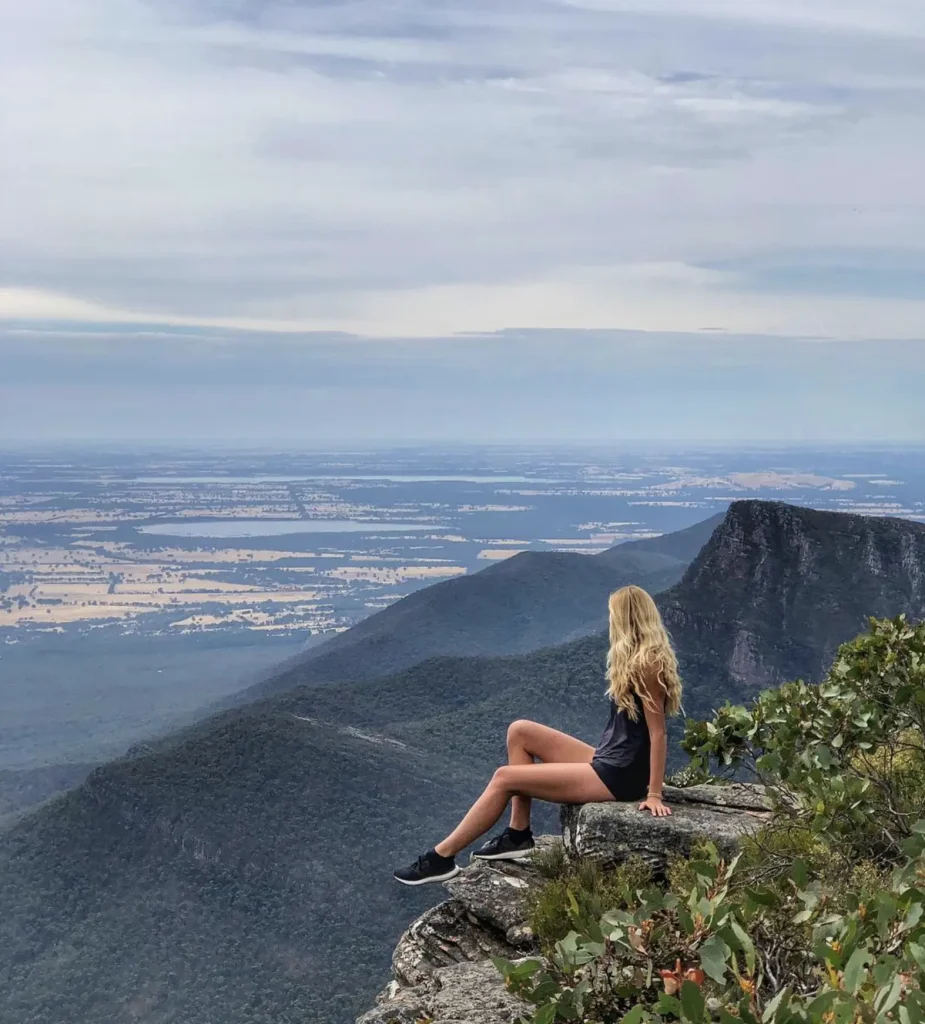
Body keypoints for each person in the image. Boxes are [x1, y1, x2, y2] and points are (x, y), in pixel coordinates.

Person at [394, 584, 683, 885]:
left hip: (619, 775)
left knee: (504, 778)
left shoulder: (647, 664)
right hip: (610, 759)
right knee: (520, 731)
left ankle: (441, 858)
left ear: (624, 618)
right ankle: (518, 834)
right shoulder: (635, 658)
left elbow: (658, 733)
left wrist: (654, 793)